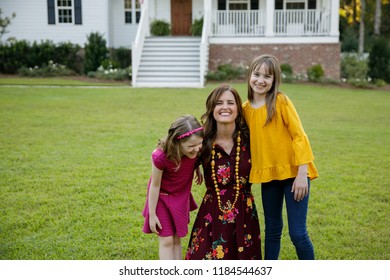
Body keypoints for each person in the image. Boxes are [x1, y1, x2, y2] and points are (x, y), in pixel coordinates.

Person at [242, 54, 319, 260]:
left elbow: (299, 136)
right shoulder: (245, 110)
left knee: (297, 233)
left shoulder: (280, 101)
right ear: (249, 75)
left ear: (274, 80)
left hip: (295, 175)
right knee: (272, 231)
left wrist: (303, 173)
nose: (260, 80)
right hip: (269, 176)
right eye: (256, 74)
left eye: (267, 76)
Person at [186, 84, 261, 260]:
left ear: (238, 109)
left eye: (230, 102)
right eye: (219, 103)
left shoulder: (250, 139)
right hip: (211, 212)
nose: (225, 107)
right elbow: (178, 161)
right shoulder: (202, 141)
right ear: (212, 108)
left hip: (244, 213)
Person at [142, 115, 204, 260]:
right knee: (167, 240)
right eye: (191, 146)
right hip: (162, 199)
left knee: (177, 238)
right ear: (177, 142)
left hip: (180, 199)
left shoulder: (196, 150)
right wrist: (152, 214)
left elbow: (193, 159)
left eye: (199, 144)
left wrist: (197, 169)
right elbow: (154, 186)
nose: (196, 149)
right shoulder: (161, 157)